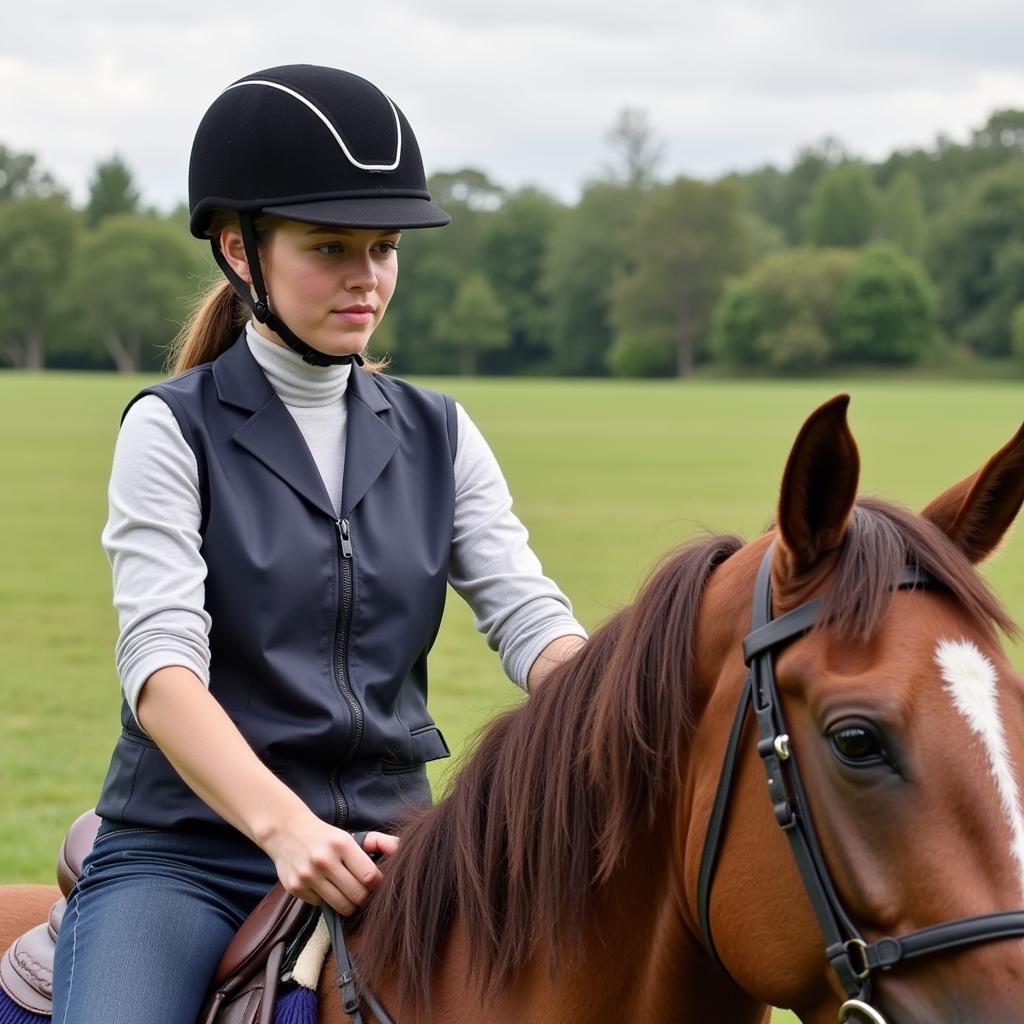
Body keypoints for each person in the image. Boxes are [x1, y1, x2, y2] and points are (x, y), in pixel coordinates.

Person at [51, 64, 587, 1024]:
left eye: (383, 248)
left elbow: (528, 614)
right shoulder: (171, 430)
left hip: (397, 845)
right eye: (329, 246)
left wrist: (620, 700)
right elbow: (161, 669)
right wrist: (283, 826)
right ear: (240, 250)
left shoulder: (441, 433)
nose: (367, 277)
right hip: (191, 855)